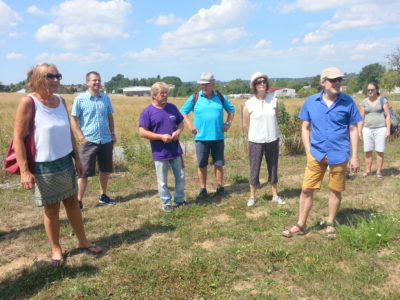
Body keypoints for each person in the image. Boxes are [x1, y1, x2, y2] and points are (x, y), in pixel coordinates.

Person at [13, 63, 102, 266]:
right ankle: (56, 249)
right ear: (37, 79)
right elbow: (18, 138)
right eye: (49, 76)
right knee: (52, 209)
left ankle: (83, 241)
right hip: (44, 166)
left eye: (57, 76)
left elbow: (67, 132)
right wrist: (25, 171)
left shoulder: (61, 101)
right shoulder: (28, 102)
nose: (55, 80)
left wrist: (77, 159)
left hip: (64, 161)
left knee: (72, 203)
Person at [281, 67, 362, 239]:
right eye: (333, 80)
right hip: (316, 153)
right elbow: (305, 127)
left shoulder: (348, 102)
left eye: (339, 79)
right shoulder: (311, 102)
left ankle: (330, 223)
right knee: (306, 189)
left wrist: (354, 156)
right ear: (322, 82)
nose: (337, 83)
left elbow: (353, 129)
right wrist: (309, 151)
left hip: (339, 153)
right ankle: (300, 224)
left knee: (335, 189)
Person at [180, 73, 235, 200]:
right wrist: (190, 125)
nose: (203, 87)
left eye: (206, 84)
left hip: (218, 137)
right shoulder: (195, 97)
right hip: (201, 138)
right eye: (201, 84)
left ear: (213, 85)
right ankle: (203, 189)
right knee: (202, 164)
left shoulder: (220, 97)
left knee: (219, 163)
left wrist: (228, 123)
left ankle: (220, 188)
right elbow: (183, 112)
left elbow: (231, 111)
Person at [71, 71, 116, 209]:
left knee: (105, 169)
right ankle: (78, 201)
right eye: (94, 80)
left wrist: (113, 133)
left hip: (106, 140)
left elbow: (110, 117)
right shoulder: (80, 99)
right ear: (87, 83)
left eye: (99, 80)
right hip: (89, 141)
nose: (97, 82)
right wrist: (80, 137)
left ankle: (103, 195)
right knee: (83, 173)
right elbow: (73, 118)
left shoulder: (105, 98)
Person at [139, 82, 186, 212]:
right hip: (160, 153)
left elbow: (181, 123)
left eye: (166, 93)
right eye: (162, 93)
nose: (165, 95)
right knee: (162, 180)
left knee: (180, 176)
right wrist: (160, 137)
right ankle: (166, 203)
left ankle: (180, 199)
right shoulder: (147, 112)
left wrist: (177, 132)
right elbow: (142, 132)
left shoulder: (172, 107)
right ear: (154, 95)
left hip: (175, 150)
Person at [242, 72, 285, 207]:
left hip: (272, 139)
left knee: (273, 166)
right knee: (254, 167)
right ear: (254, 86)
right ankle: (252, 196)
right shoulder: (249, 103)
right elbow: (245, 124)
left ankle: (275, 195)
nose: (262, 84)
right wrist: (254, 134)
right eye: (258, 82)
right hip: (255, 141)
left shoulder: (274, 100)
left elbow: (276, 117)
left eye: (264, 81)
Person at [359, 82, 391, 179]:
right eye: (368, 90)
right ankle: (368, 170)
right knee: (367, 151)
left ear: (376, 90)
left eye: (372, 89)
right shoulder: (364, 102)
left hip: (380, 129)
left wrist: (388, 129)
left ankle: (378, 172)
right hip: (367, 129)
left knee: (379, 151)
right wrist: (359, 131)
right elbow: (361, 117)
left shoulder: (382, 100)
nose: (370, 91)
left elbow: (388, 115)